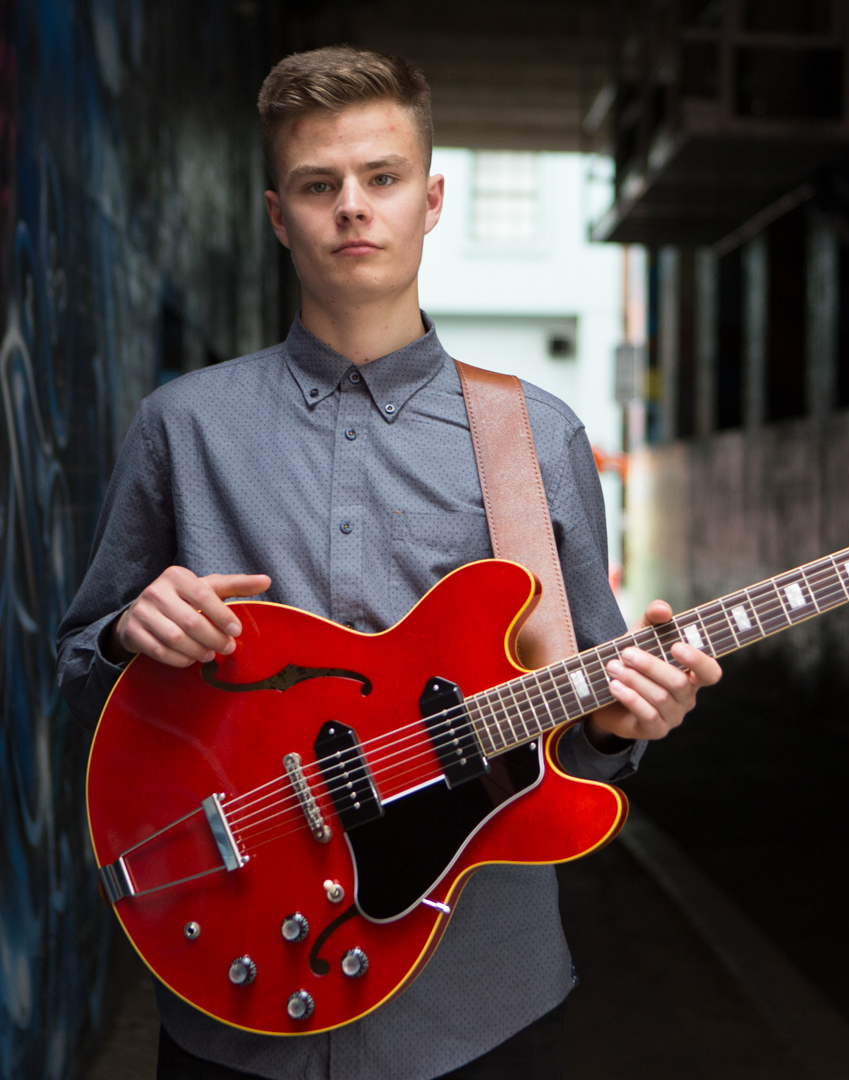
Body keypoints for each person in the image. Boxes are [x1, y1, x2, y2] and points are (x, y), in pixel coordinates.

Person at [57, 46, 721, 1080]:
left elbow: (587, 735)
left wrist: (622, 718)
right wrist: (130, 632)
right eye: (319, 186)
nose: (352, 210)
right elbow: (77, 669)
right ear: (280, 214)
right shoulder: (182, 427)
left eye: (382, 178)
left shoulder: (535, 437)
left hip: (478, 1009)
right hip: (234, 996)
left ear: (432, 196)